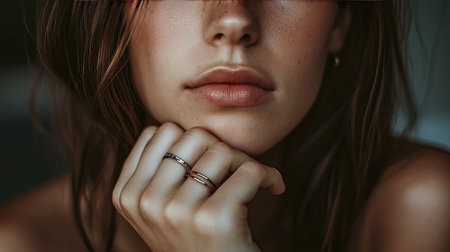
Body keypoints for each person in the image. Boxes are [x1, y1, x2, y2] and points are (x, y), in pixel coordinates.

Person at [0, 0, 449, 251]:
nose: (234, 21)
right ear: (113, 20)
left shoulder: (423, 209)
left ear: (341, 22)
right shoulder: (23, 243)